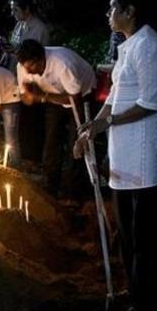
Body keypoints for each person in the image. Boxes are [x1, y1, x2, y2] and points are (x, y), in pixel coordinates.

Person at [75, 0, 157, 311]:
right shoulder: (129, 46)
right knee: (126, 232)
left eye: (113, 8)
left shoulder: (150, 47)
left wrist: (105, 124)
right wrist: (92, 124)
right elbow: (116, 95)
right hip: (124, 155)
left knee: (144, 236)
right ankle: (136, 291)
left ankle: (147, 302)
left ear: (130, 11)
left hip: (146, 154)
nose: (109, 14)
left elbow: (149, 104)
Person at [15, 39, 96, 197]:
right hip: (53, 96)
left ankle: (74, 189)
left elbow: (74, 100)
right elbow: (25, 96)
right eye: (26, 67)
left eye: (32, 66)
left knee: (77, 141)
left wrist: (81, 128)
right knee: (51, 139)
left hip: (82, 95)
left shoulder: (62, 64)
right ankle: (50, 184)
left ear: (41, 58)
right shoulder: (23, 67)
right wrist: (29, 96)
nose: (29, 72)